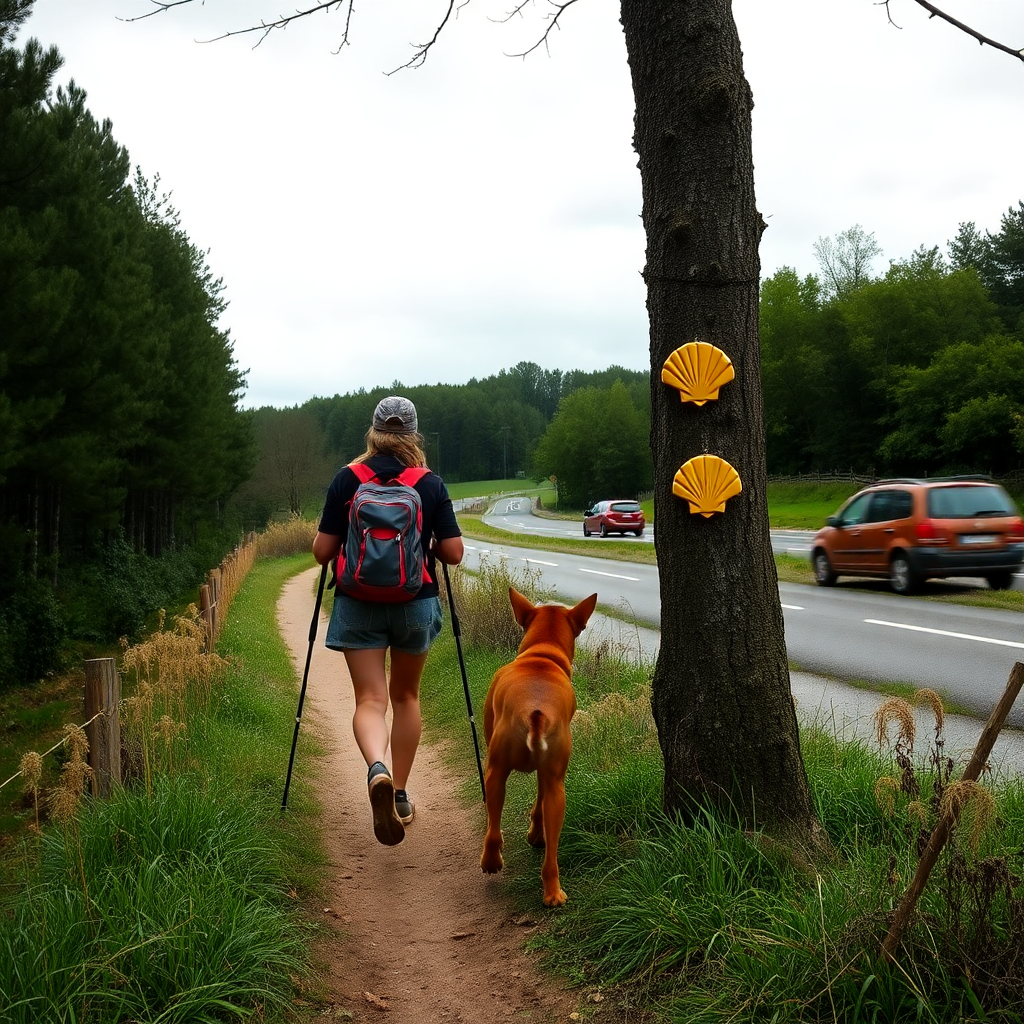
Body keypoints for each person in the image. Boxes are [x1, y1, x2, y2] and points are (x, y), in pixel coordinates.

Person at [312, 396, 464, 846]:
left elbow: (322, 552)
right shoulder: (429, 483)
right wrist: (428, 543)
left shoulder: (348, 479)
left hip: (357, 602)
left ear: (373, 431)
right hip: (415, 602)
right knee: (406, 696)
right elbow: (454, 554)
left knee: (370, 700)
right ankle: (399, 794)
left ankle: (376, 767)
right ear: (413, 435)